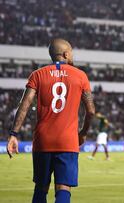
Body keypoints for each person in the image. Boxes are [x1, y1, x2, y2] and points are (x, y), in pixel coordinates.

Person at [7, 38, 95, 203]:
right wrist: (83, 133)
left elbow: (24, 105)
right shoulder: (81, 76)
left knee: (40, 187)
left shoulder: (38, 74)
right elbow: (91, 111)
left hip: (42, 141)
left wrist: (13, 134)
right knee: (63, 188)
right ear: (66, 54)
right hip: (67, 142)